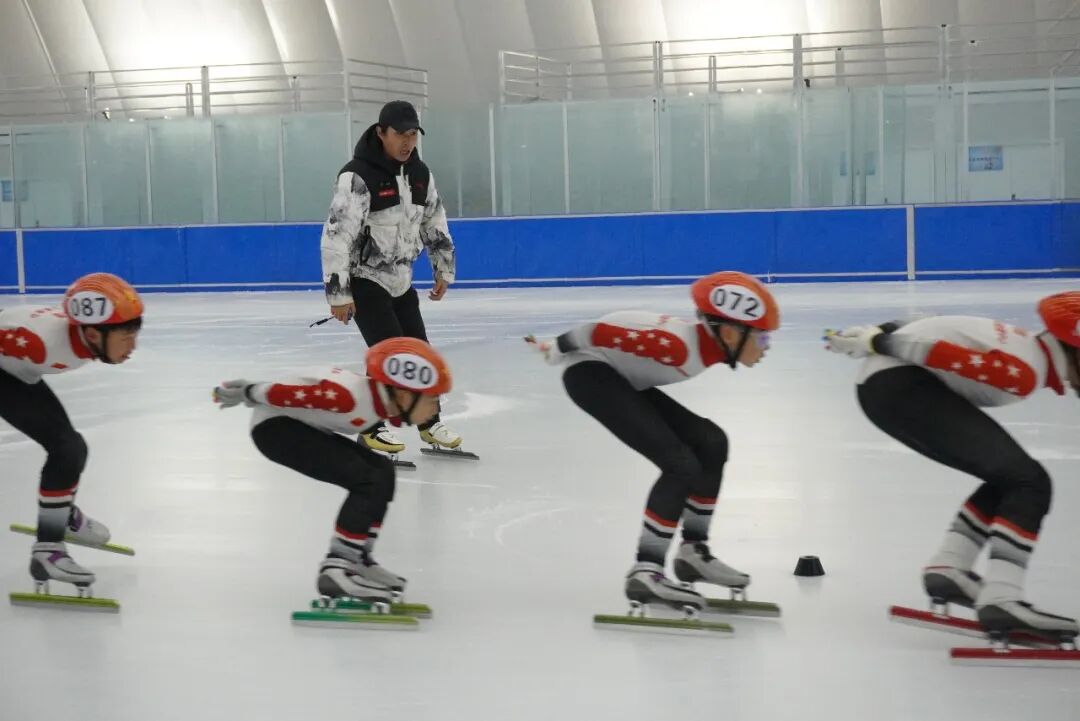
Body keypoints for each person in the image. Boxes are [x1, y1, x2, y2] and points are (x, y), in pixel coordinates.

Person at [824, 292, 1080, 642]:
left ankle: (950, 568)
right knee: (1030, 482)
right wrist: (878, 339)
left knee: (1009, 477)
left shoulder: (1022, 346)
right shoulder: (1024, 371)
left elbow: (930, 322)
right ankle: (1002, 599)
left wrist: (879, 333)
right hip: (901, 385)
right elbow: (942, 353)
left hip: (891, 385)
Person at [525, 271, 780, 610]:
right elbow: (596, 332)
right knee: (680, 465)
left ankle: (693, 553)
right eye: (762, 339)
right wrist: (555, 347)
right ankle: (646, 570)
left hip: (620, 376)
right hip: (590, 374)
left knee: (711, 442)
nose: (766, 348)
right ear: (732, 334)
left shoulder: (699, 348)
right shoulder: (678, 347)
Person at [212, 337, 451, 602]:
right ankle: (338, 567)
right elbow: (286, 394)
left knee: (381, 470)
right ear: (405, 394)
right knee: (367, 479)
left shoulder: (375, 400)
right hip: (274, 431)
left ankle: (357, 558)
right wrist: (248, 391)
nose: (435, 409)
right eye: (432, 400)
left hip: (295, 427)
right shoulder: (349, 397)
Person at [320, 99, 460, 457]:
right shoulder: (357, 176)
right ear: (381, 133)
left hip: (402, 280)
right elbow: (337, 235)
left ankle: (430, 426)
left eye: (413, 135)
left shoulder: (420, 174)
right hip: (366, 280)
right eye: (400, 134)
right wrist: (339, 293)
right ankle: (370, 429)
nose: (407, 142)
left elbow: (434, 220)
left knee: (420, 355)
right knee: (390, 357)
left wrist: (442, 266)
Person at [0, 272, 143, 594]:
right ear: (93, 333)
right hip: (7, 370)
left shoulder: (74, 338)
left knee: (70, 449)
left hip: (15, 370)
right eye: (126, 337)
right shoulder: (41, 342)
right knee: (67, 447)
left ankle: (59, 515)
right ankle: (48, 552)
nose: (133, 346)